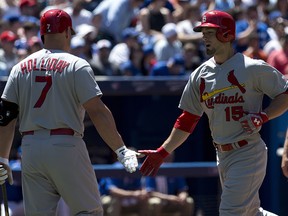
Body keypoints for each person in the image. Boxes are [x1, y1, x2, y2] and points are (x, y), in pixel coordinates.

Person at [138, 10, 288, 216]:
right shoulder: (200, 75)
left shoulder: (252, 68)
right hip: (223, 153)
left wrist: (264, 116)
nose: (204, 37)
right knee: (251, 213)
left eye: (210, 32)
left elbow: (284, 95)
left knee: (230, 212)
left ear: (227, 35)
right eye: (203, 33)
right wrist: (163, 152)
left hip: (247, 151)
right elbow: (187, 120)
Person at [0, 9, 140, 215]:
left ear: (42, 34)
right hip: (65, 144)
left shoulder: (20, 67)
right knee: (88, 211)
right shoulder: (77, 65)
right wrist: (120, 149)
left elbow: (6, 116)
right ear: (67, 33)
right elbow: (98, 112)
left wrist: (2, 159)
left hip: (30, 148)